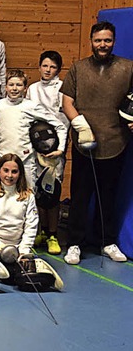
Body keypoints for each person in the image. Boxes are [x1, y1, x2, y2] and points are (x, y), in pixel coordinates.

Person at [61, 21, 133, 265]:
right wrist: (81, 126)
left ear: (113, 41)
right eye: (98, 40)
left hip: (116, 142)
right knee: (80, 195)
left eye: (107, 40)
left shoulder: (128, 68)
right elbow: (67, 102)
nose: (103, 45)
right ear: (91, 41)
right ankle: (74, 244)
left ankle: (107, 241)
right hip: (84, 144)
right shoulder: (78, 68)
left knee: (109, 195)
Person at [0, 69, 67, 188]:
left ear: (25, 88)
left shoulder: (31, 106)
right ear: (6, 87)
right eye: (11, 85)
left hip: (26, 161)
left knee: (28, 197)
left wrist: (60, 149)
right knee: (3, 197)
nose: (14, 88)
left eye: (19, 85)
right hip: (3, 161)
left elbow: (60, 125)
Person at [25, 50, 68, 254]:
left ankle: (53, 234)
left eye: (52, 67)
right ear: (39, 66)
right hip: (35, 147)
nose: (48, 70)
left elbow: (63, 121)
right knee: (37, 191)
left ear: (58, 69)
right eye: (45, 65)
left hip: (55, 149)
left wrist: (59, 149)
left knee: (53, 192)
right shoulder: (32, 89)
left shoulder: (62, 88)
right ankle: (41, 230)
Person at [0, 153, 38, 281]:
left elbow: (31, 226)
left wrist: (23, 250)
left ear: (20, 174)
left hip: (18, 247)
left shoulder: (28, 196)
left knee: (27, 276)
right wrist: (1, 247)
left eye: (14, 171)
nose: (9, 176)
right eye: (6, 170)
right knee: (11, 276)